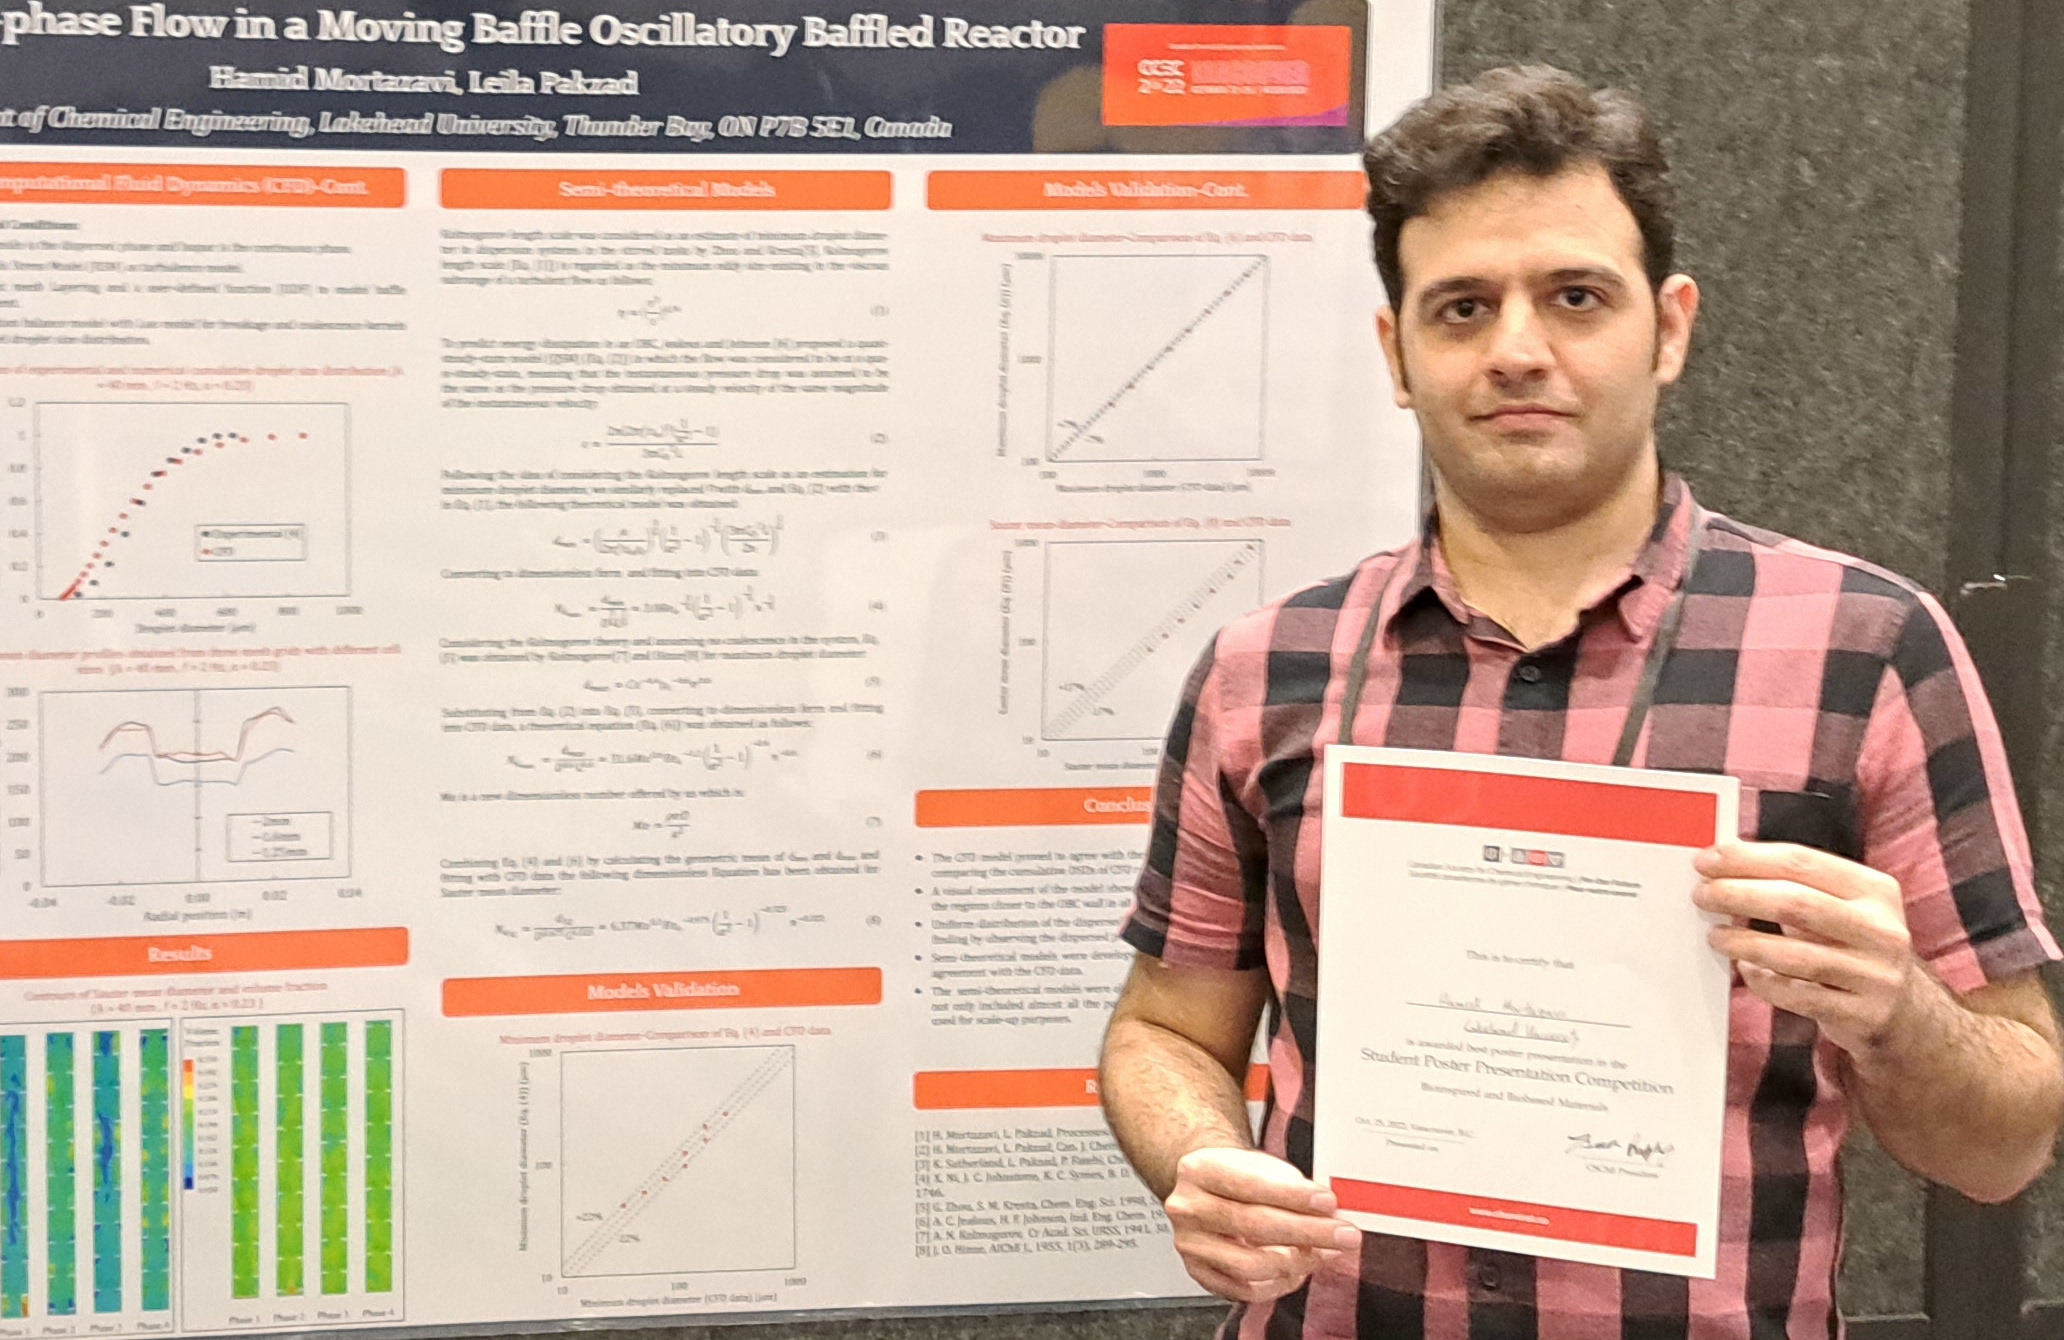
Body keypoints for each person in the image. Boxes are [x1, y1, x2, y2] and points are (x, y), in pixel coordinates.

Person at [1097, 64, 2064, 1338]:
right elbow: (1165, 1027)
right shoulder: (1267, 668)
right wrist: (1202, 1157)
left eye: (1575, 296)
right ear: (1398, 355)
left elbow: (2005, 1142)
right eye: (1462, 307)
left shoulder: (1867, 649)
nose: (1517, 349)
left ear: (1669, 329)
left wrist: (1900, 1011)